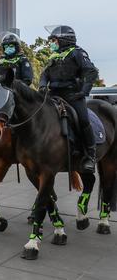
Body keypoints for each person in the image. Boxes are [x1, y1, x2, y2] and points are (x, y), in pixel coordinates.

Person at [38, 25, 99, 174]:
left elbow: (90, 71)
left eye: (54, 40)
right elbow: (44, 74)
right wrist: (42, 86)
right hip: (53, 94)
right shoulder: (53, 56)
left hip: (72, 95)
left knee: (83, 120)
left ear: (64, 40)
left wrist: (83, 92)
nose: (52, 43)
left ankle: (90, 155)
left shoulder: (77, 53)